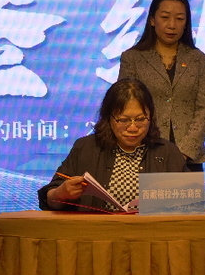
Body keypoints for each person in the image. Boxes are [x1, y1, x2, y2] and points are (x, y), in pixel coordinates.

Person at [38, 78, 187, 212]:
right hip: (96, 231)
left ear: (151, 117)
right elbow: (50, 198)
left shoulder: (167, 151)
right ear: (108, 118)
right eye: (123, 120)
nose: (133, 128)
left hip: (150, 232)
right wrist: (61, 193)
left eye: (140, 119)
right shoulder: (86, 148)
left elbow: (193, 199)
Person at [119, 0, 205, 172]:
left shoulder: (198, 59)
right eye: (165, 17)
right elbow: (124, 106)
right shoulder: (133, 58)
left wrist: (183, 152)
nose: (172, 25)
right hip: (143, 154)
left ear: (186, 23)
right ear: (152, 20)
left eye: (179, 19)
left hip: (188, 158)